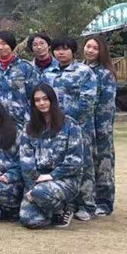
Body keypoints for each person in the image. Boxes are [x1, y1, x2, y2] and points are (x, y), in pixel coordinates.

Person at [42, 37, 98, 221]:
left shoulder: (84, 72)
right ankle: (67, 203)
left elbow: (87, 101)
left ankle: (87, 204)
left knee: (84, 164)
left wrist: (65, 120)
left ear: (73, 51)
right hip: (54, 129)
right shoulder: (47, 74)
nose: (61, 52)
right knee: (61, 164)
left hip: (79, 128)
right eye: (57, 49)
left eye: (65, 49)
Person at [19, 85, 84, 229]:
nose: (41, 103)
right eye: (37, 100)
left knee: (40, 193)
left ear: (52, 100)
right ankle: (51, 211)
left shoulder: (70, 125)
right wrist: (32, 186)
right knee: (28, 219)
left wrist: (52, 176)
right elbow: (26, 162)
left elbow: (75, 161)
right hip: (38, 181)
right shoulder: (29, 128)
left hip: (65, 179)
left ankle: (62, 209)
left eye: (45, 99)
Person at [83, 35, 117, 216]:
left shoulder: (105, 74)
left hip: (100, 126)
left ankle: (104, 202)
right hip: (83, 127)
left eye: (95, 48)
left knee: (103, 163)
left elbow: (107, 105)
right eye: (88, 46)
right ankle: (87, 200)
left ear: (101, 52)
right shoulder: (79, 69)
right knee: (86, 164)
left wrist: (102, 130)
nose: (90, 50)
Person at [0, 30, 37, 132]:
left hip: (24, 121)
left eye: (4, 44)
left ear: (11, 44)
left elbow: (34, 94)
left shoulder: (26, 67)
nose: (1, 47)